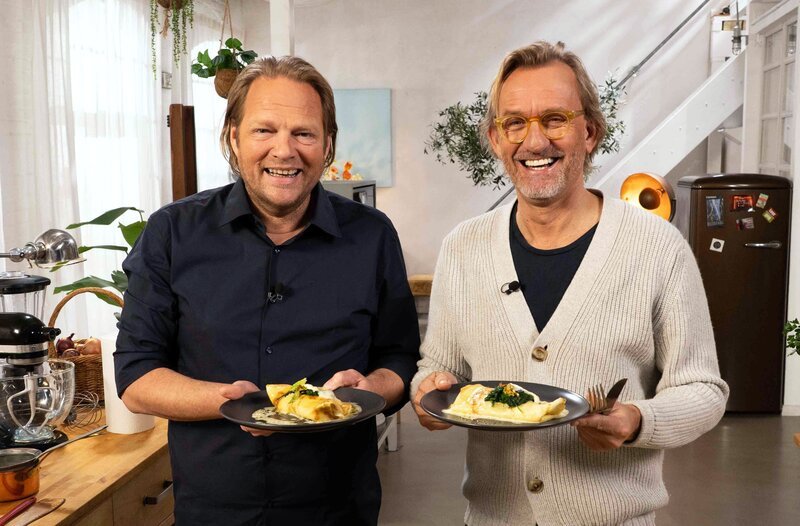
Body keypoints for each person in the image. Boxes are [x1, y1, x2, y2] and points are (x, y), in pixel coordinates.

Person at [411, 41, 728, 526]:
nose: (534, 142)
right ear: (496, 139)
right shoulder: (463, 248)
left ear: (590, 132)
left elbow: (703, 389)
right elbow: (438, 367)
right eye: (514, 122)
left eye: (555, 118)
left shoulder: (656, 248)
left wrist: (639, 421)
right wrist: (428, 391)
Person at [115, 56, 420, 525]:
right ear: (233, 138)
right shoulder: (171, 233)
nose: (285, 150)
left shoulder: (373, 235)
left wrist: (370, 387)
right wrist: (228, 401)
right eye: (264, 131)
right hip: (212, 510)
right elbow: (136, 377)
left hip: (340, 507)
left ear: (328, 144)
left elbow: (399, 357)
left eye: (304, 133)